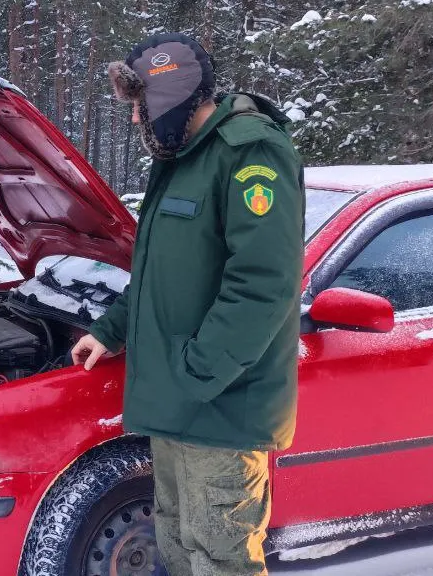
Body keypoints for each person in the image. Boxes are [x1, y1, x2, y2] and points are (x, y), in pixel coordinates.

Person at [71, 33, 304, 576]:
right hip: (180, 401)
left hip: (220, 407)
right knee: (177, 545)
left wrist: (198, 372)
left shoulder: (249, 152)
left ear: (171, 98)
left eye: (141, 105)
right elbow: (159, 272)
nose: (136, 119)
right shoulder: (181, 158)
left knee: (220, 559)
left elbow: (264, 282)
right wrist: (109, 330)